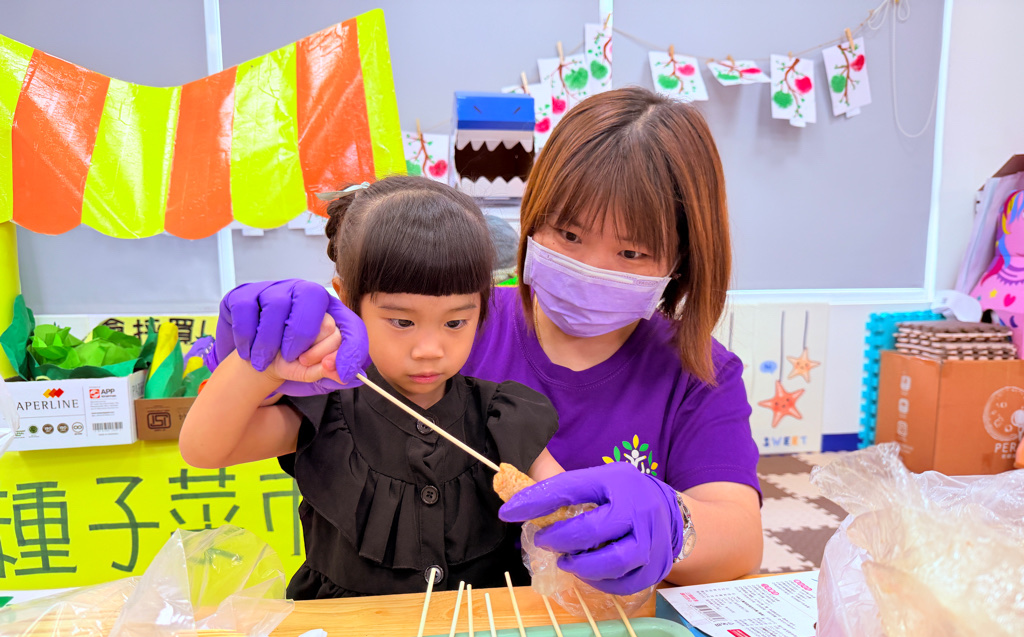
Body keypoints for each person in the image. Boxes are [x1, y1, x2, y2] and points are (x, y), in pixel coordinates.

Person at [199, 87, 761, 595]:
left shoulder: (696, 375)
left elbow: (739, 540)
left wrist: (672, 526)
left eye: (632, 252)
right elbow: (215, 442)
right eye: (568, 233)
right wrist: (259, 361)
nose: (429, 348)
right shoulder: (437, 325)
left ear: (683, 258)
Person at [179, 176, 562, 598]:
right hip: (344, 631)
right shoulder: (328, 412)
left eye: (455, 322)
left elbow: (564, 506)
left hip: (483, 628)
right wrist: (264, 368)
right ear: (346, 300)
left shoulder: (502, 414)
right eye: (402, 321)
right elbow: (203, 450)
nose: (429, 350)